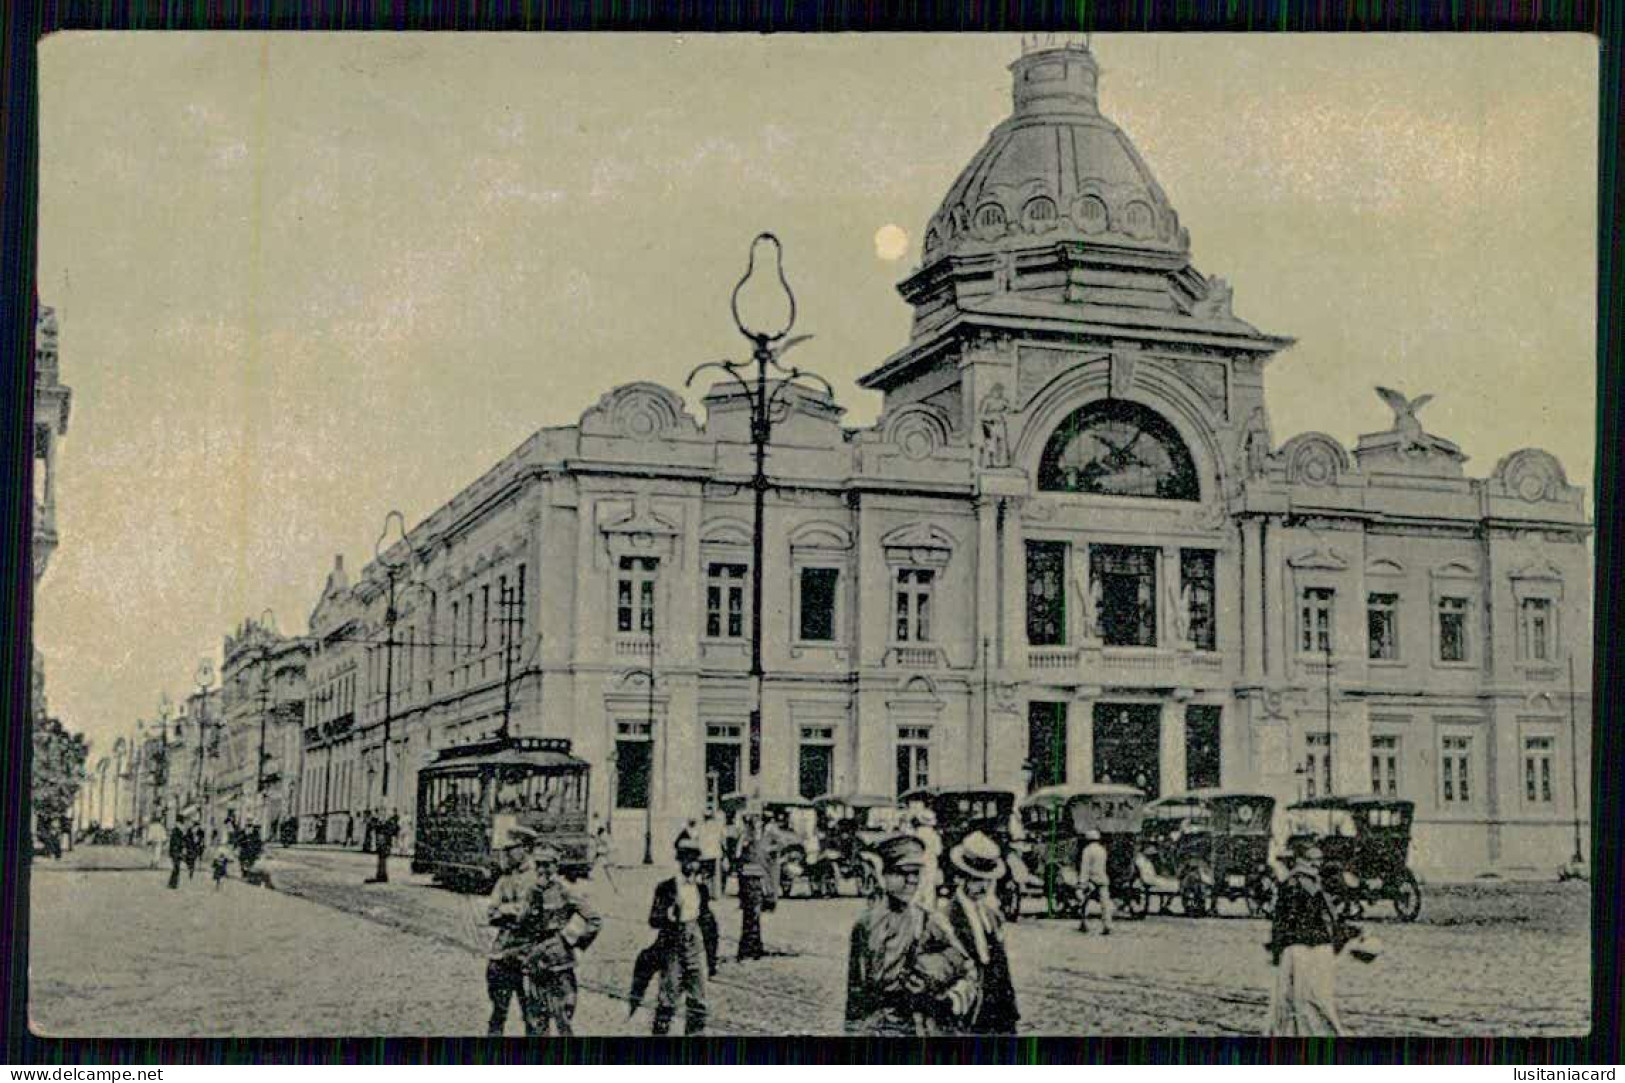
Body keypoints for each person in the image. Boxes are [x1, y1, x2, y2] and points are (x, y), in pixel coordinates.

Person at [844, 834, 976, 1036]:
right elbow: (857, 992)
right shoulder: (866, 925)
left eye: (917, 873)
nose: (912, 881)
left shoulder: (927, 920)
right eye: (902, 873)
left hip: (919, 1026)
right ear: (884, 875)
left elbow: (967, 970)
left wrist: (939, 989)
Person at [513, 843, 601, 1036]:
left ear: (556, 866)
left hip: (560, 964)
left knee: (563, 1019)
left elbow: (594, 920)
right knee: (536, 1022)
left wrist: (575, 942)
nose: (542, 870)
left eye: (547, 865)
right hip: (536, 963)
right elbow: (521, 925)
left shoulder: (565, 890)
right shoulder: (531, 891)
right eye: (539, 865)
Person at [1265, 839, 1349, 1037]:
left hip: (1297, 948)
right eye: (1314, 859)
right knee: (1315, 998)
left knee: (1290, 998)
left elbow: (1282, 922)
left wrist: (1277, 950)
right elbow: (1332, 916)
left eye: (1318, 860)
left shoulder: (1291, 884)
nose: (1317, 864)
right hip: (1319, 948)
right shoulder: (1318, 884)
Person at [944, 832, 1020, 1034]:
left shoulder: (989, 914)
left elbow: (1001, 966)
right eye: (978, 880)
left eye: (988, 881)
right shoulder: (948, 916)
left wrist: (1010, 1011)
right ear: (962, 878)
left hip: (996, 1007)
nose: (984, 887)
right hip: (969, 1008)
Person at [647, 837, 718, 1035]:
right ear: (680, 861)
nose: (691, 864)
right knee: (667, 1000)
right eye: (687, 859)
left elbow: (708, 924)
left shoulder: (702, 890)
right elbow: (653, 919)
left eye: (694, 860)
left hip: (695, 948)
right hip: (673, 949)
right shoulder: (666, 888)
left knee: (698, 1000)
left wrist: (711, 960)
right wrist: (667, 915)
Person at [485, 825, 541, 1036]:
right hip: (503, 953)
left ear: (526, 848)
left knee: (532, 1016)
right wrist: (510, 911)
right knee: (498, 1013)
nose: (507, 853)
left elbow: (530, 915)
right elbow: (491, 912)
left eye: (512, 848)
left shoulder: (537, 878)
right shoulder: (505, 879)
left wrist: (507, 911)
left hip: (530, 955)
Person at [735, 814, 767, 961]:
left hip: (756, 885)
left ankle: (755, 948)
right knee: (750, 917)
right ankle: (747, 949)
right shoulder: (746, 841)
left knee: (755, 917)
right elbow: (739, 860)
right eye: (756, 826)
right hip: (748, 884)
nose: (758, 829)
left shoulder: (759, 842)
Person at [1076, 829, 1113, 935]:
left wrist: (1082, 882)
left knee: (1084, 903)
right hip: (1102, 879)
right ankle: (1107, 925)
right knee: (1105, 904)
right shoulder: (1102, 850)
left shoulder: (1087, 850)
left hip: (1091, 880)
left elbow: (1085, 867)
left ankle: (1083, 923)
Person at [366, 810, 399, 884]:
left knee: (382, 859)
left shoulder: (387, 824)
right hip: (383, 843)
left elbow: (392, 831)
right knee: (381, 859)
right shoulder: (385, 824)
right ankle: (381, 875)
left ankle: (382, 875)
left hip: (384, 843)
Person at [696, 812, 725, 898]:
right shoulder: (717, 826)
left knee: (705, 874)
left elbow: (698, 838)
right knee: (714, 875)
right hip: (715, 854)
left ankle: (706, 893)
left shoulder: (701, 827)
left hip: (703, 854)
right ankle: (715, 894)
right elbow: (722, 838)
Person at [167, 821, 187, 889]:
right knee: (176, 868)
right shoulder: (177, 831)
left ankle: (173, 883)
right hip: (176, 852)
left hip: (176, 852)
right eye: (181, 824)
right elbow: (177, 842)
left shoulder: (177, 831)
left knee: (176, 868)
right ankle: (173, 883)